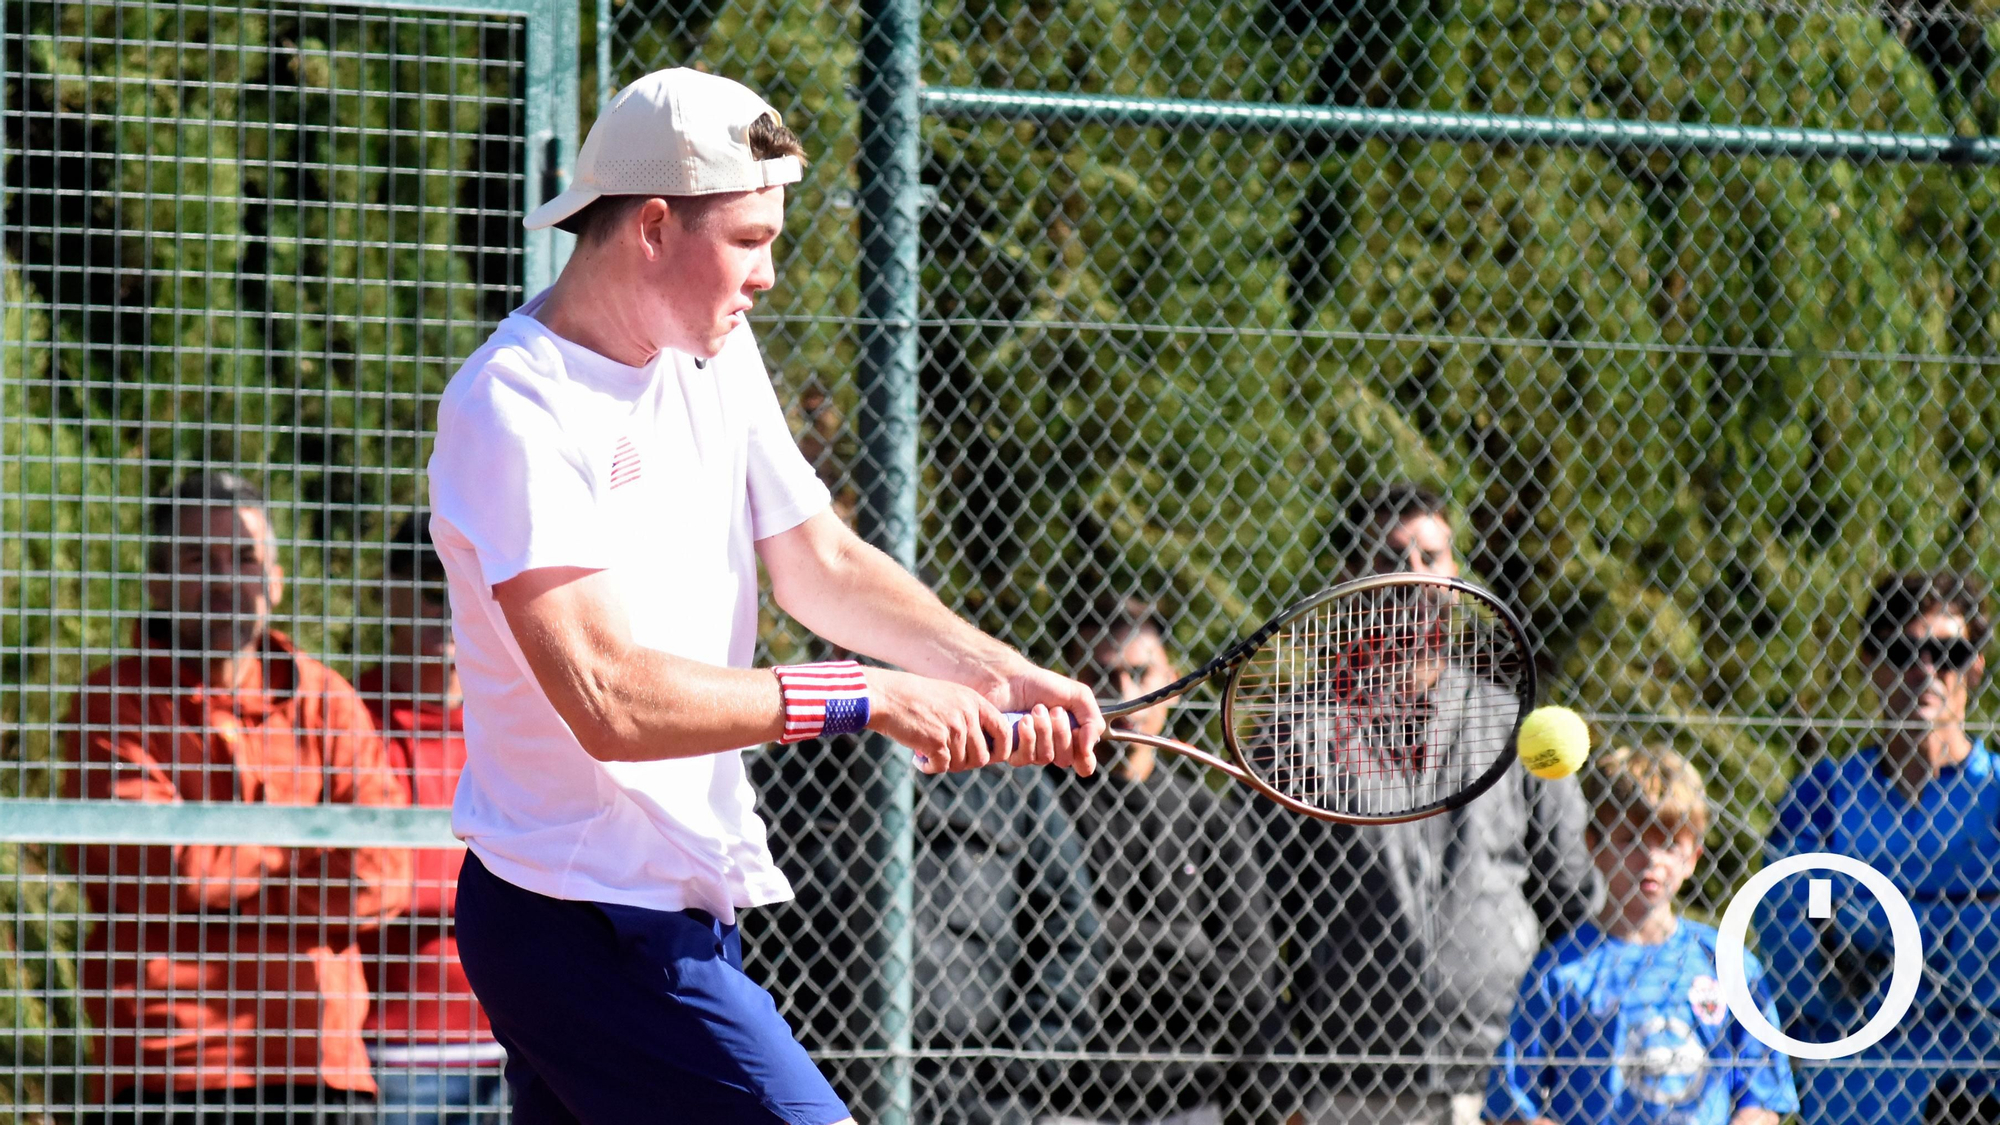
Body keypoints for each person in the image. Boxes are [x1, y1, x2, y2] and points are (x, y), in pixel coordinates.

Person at [424, 68, 1103, 1125]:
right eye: (747, 240)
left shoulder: (714, 357)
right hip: (578, 922)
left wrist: (995, 674)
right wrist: (869, 698)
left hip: (679, 907)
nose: (769, 275)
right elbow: (611, 702)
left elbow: (818, 563)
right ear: (651, 226)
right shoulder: (514, 406)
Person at [64, 470, 412, 1123]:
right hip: (167, 1067)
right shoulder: (112, 705)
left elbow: (383, 876)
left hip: (321, 1065)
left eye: (246, 557)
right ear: (159, 583)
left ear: (275, 580)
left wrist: (227, 880)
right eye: (201, 559)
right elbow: (164, 868)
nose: (227, 580)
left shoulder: (330, 702)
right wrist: (304, 856)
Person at [1266, 483, 1595, 1125]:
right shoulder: (1299, 732)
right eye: (1391, 556)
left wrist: (1563, 1061)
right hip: (1354, 1079)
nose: (1411, 576)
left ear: (1455, 577)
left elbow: (1573, 903)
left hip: (1506, 1077)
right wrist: (1284, 1089)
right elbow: (1262, 922)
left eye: (1431, 556)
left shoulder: (1514, 727)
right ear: (1351, 579)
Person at [1759, 571, 2000, 1125]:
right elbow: (1798, 956)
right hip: (1854, 1095)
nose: (1925, 671)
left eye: (1949, 653)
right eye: (1902, 651)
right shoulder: (1820, 800)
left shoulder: (1994, 799)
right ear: (1870, 663)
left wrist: (1871, 936)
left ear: (1976, 667)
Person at [1046, 597, 1280, 1125]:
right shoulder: (1043, 803)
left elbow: (1252, 972)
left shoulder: (1207, 815)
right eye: (1103, 675)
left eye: (1139, 673)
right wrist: (1188, 945)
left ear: (1172, 678)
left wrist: (1108, 942)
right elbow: (1042, 948)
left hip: (1190, 1098)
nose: (1124, 695)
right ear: (1069, 683)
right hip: (1064, 1099)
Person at [1486, 746, 1799, 1125]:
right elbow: (1513, 1107)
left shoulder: (1727, 965)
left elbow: (1763, 1099)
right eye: (1630, 839)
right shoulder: (1560, 972)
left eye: (1669, 843)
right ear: (1594, 845)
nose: (1651, 859)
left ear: (1693, 857)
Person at [356, 513, 507, 1123]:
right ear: (385, 591)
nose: (443, 601)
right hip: (388, 1048)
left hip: (510, 1043)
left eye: (461, 583)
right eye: (424, 579)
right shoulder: (346, 720)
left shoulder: (510, 724)